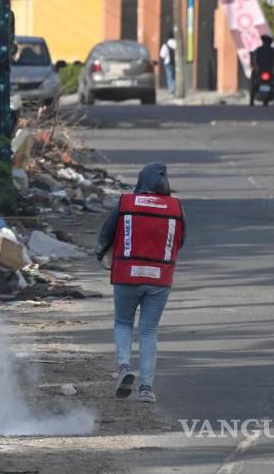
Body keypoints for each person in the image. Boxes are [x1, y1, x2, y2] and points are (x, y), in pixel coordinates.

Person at [94, 163, 185, 403]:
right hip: (159, 278)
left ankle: (124, 366)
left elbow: (106, 235)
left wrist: (100, 254)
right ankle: (146, 388)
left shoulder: (126, 203)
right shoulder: (175, 208)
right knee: (148, 330)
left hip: (127, 275)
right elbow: (180, 240)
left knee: (123, 322)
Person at [251, 35, 274, 105]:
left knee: (253, 80)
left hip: (262, 71)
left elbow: (253, 61)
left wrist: (257, 69)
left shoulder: (258, 50)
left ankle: (252, 97)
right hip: (269, 71)